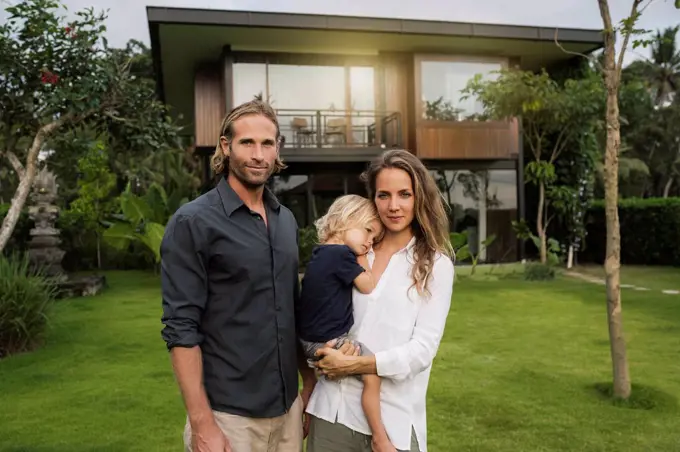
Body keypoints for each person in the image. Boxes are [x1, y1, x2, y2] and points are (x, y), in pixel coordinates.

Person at [159, 99, 316, 452]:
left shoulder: (285, 220)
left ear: (278, 149)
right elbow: (181, 328)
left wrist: (308, 382)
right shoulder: (193, 223)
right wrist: (202, 424)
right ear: (226, 146)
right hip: (228, 418)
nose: (258, 155)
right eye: (247, 143)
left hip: (288, 408)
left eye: (267, 143)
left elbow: (292, 310)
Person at [304, 149, 455, 452]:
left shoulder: (435, 265)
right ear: (373, 199)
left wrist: (356, 364)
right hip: (332, 411)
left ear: (419, 198)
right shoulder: (353, 251)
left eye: (404, 194)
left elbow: (422, 351)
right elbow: (313, 313)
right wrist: (312, 373)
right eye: (383, 195)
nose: (394, 206)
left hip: (391, 422)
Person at [296, 194, 394, 449]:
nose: (369, 244)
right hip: (329, 341)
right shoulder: (342, 256)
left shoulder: (319, 253)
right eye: (368, 233)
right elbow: (368, 286)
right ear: (347, 220)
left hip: (307, 341)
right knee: (372, 374)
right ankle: (378, 434)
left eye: (374, 240)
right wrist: (363, 260)